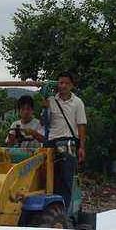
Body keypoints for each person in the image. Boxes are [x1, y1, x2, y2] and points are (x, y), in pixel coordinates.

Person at [43, 71, 87, 210]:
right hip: (52, 142)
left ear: (71, 85)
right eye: (61, 83)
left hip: (68, 142)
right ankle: (49, 206)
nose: (63, 86)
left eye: (66, 83)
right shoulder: (51, 100)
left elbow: (81, 125)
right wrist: (45, 108)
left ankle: (63, 210)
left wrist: (82, 147)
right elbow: (44, 122)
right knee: (48, 176)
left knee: (66, 177)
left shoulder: (77, 102)